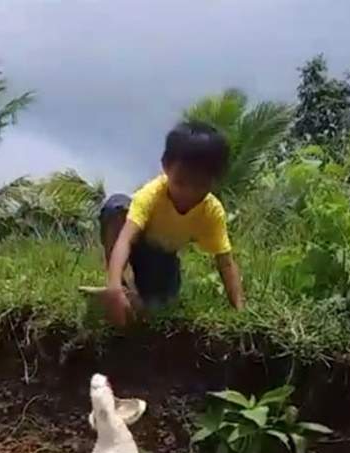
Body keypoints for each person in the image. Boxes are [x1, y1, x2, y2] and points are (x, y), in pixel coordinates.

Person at [98, 121, 244, 327]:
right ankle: (121, 287)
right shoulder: (152, 194)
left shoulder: (211, 211)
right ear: (166, 166)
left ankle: (138, 295)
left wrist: (240, 312)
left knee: (159, 310)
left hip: (163, 261)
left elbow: (225, 263)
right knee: (116, 207)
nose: (189, 193)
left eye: (200, 186)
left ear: (215, 181)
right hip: (136, 246)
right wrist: (113, 285)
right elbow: (125, 239)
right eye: (181, 182)